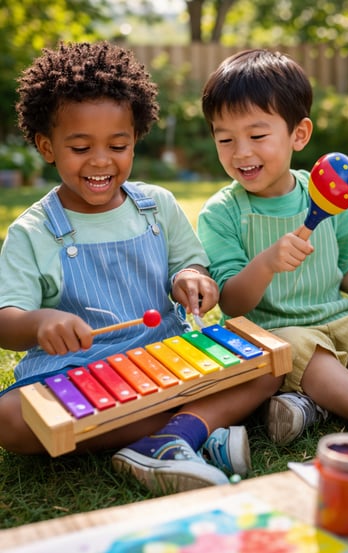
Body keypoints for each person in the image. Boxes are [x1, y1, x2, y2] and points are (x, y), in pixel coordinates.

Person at [0, 41, 271, 494]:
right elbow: (5, 323)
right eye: (81, 146)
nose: (102, 160)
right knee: (9, 421)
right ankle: (194, 431)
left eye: (118, 145)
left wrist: (192, 279)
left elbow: (192, 265)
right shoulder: (33, 231)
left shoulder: (156, 206)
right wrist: (40, 321)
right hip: (77, 374)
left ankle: (173, 438)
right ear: (47, 146)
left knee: (270, 365)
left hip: (163, 356)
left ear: (135, 138)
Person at [197, 49, 348, 445]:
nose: (241, 151)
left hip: (338, 323)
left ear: (299, 134)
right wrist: (266, 264)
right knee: (295, 344)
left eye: (257, 135)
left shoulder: (326, 192)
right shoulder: (222, 213)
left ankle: (316, 405)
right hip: (276, 337)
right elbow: (231, 302)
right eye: (225, 138)